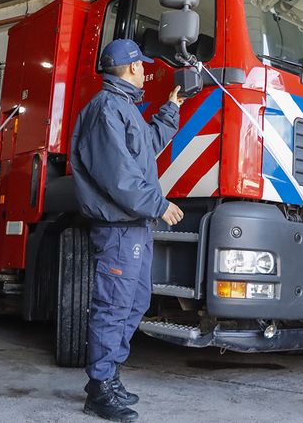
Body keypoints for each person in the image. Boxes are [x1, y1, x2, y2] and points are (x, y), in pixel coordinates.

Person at [70, 39, 185, 422]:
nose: (144, 72)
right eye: (142, 66)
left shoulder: (124, 109)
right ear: (132, 68)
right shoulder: (106, 110)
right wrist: (159, 205)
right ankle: (99, 388)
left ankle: (109, 375)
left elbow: (145, 147)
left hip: (133, 226)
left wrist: (170, 110)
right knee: (114, 306)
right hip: (119, 227)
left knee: (134, 302)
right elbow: (118, 177)